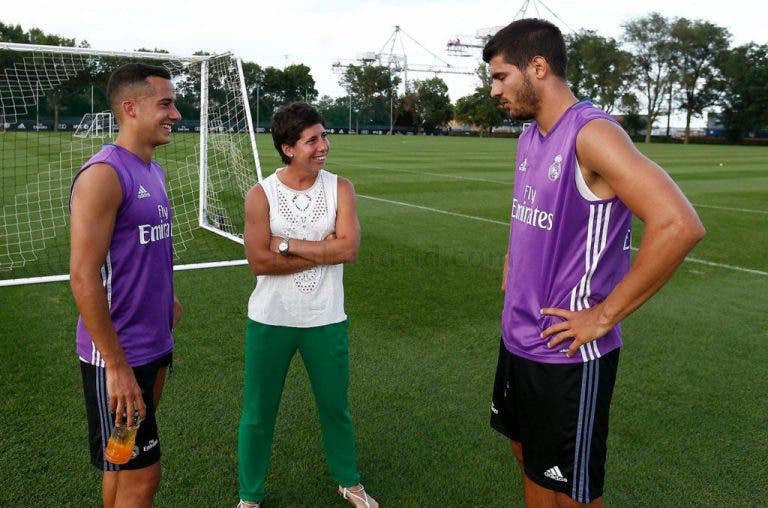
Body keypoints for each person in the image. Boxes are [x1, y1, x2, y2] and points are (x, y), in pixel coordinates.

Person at [484, 19, 705, 507]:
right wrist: (513, 257)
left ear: (537, 67)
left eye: (501, 77)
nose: (494, 90)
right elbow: (536, 212)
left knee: (569, 489)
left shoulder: (592, 134)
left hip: (566, 355)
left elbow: (678, 224)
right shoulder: (529, 137)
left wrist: (602, 316)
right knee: (530, 459)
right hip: (518, 338)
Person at [238, 102, 378, 508]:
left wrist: (286, 244)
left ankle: (348, 481)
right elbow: (258, 261)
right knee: (258, 413)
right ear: (287, 148)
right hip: (270, 319)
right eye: (312, 140)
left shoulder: (341, 188)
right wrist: (323, 248)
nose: (324, 146)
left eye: (324, 136)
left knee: (336, 407)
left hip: (326, 317)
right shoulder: (261, 194)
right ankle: (249, 496)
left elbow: (348, 249)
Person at [69, 63, 183, 508]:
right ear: (131, 108)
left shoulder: (151, 170)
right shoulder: (104, 175)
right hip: (120, 356)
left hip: (154, 343)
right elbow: (83, 275)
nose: (175, 114)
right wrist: (115, 366)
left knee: (122, 458)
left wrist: (166, 297)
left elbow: (143, 249)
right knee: (143, 476)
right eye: (166, 103)